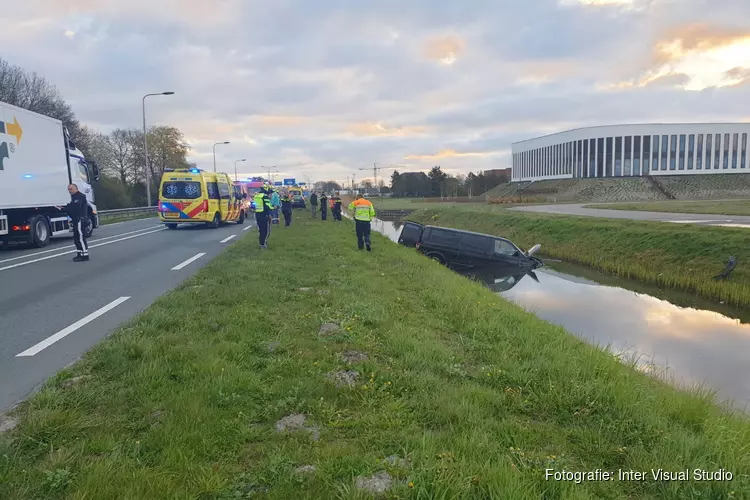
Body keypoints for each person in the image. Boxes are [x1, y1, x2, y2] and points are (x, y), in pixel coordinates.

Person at [64, 183, 90, 261]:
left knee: (80, 237)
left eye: (71, 189)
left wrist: (66, 208)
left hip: (80, 220)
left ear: (76, 188)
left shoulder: (80, 197)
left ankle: (85, 255)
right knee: (76, 238)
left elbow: (75, 208)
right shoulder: (74, 197)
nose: (69, 191)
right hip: (76, 220)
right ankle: (79, 253)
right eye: (68, 189)